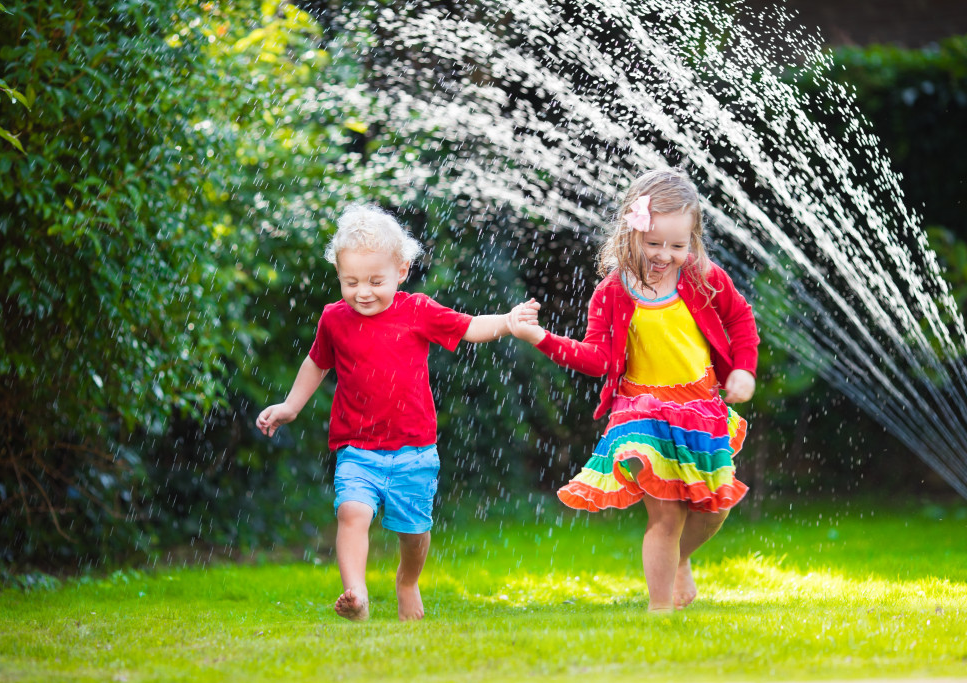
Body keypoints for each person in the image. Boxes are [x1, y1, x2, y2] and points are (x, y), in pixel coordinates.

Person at [257, 204, 539, 622]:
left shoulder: (417, 311)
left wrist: (507, 322)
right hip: (358, 447)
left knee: (414, 532)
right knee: (351, 513)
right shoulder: (334, 319)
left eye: (375, 280)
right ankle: (356, 595)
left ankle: (407, 581)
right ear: (338, 274)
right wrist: (290, 406)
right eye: (350, 281)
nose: (363, 292)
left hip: (414, 449)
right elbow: (316, 363)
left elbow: (468, 326)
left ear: (401, 271)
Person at [508, 169, 759, 612]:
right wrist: (541, 339)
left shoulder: (703, 276)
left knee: (715, 508)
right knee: (666, 514)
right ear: (631, 233)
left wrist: (744, 371)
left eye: (677, 246)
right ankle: (659, 612)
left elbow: (740, 320)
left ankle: (678, 560)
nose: (665, 255)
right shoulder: (612, 292)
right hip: (641, 409)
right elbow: (596, 359)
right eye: (654, 243)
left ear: (693, 240)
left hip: (699, 406)